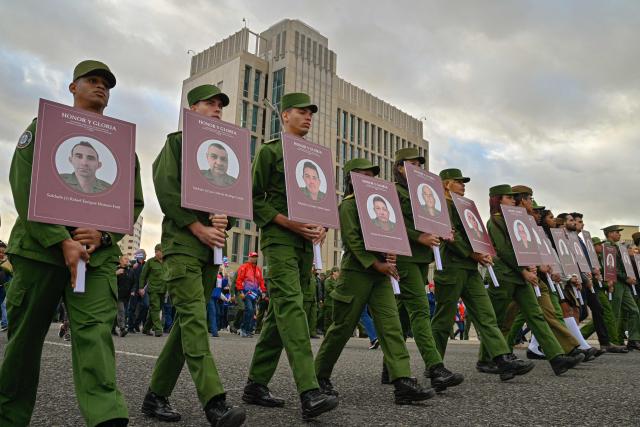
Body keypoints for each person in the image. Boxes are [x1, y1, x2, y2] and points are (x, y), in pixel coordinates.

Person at [0, 60, 144, 427]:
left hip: (95, 260)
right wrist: (58, 239)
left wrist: (104, 235)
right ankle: (9, 416)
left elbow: (133, 201)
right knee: (24, 341)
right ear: (72, 87)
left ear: (99, 162)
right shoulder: (44, 128)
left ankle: (107, 416)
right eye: (92, 81)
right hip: (40, 253)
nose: (100, 88)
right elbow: (23, 186)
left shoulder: (122, 144)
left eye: (106, 85)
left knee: (96, 333)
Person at [142, 84, 245, 426]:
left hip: (211, 250)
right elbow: (166, 189)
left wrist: (225, 217)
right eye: (210, 103)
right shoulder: (177, 143)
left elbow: (235, 200)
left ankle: (156, 396)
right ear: (191, 109)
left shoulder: (226, 155)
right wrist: (197, 226)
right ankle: (214, 401)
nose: (217, 108)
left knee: (189, 321)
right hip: (184, 245)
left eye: (220, 104)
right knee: (196, 321)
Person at [243, 92, 337, 420]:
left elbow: (322, 200)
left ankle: (256, 384)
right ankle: (309, 391)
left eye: (311, 113)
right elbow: (252, 198)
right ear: (285, 115)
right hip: (280, 240)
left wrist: (322, 226)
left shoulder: (316, 158)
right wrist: (288, 222)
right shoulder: (270, 152)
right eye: (301, 111)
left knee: (280, 314)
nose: (308, 117)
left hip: (304, 246)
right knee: (293, 309)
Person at [315, 158, 435, 404]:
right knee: (342, 328)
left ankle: (402, 381)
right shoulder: (348, 207)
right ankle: (318, 377)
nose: (370, 179)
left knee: (391, 326)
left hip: (381, 274)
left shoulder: (381, 206)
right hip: (357, 274)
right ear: (351, 180)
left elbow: (393, 232)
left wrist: (392, 252)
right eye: (363, 175)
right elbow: (352, 241)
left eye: (372, 175)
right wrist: (377, 263)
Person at [430, 169, 533, 381]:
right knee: (443, 319)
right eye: (458, 182)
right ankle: (434, 365)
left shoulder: (463, 205)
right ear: (447, 184)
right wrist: (473, 253)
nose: (463, 185)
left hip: (470, 267)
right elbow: (451, 235)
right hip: (452, 266)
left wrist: (483, 252)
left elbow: (475, 234)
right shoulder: (443, 206)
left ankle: (502, 357)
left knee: (486, 315)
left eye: (463, 182)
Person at [478, 185, 583, 376]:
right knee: (499, 319)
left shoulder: (517, 220)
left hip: (522, 275)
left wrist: (531, 264)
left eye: (513, 198)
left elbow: (524, 246)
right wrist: (523, 270)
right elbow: (503, 250)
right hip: (505, 275)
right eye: (508, 198)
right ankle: (487, 359)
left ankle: (556, 357)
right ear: (498, 200)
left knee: (536, 315)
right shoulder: (495, 221)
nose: (513, 200)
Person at [384, 148, 464, 392]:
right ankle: (436, 368)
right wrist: (420, 238)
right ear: (400, 168)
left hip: (422, 258)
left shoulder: (422, 193)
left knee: (402, 313)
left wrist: (443, 232)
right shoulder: (394, 192)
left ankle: (389, 367)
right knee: (419, 311)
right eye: (413, 164)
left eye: (421, 164)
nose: (419, 168)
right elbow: (392, 223)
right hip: (406, 256)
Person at [602, 225, 640, 351]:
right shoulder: (607, 246)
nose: (619, 234)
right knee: (613, 312)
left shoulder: (618, 247)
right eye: (617, 232)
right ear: (610, 233)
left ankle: (633, 339)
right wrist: (626, 277)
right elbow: (612, 268)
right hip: (616, 282)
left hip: (624, 283)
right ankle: (611, 341)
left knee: (634, 310)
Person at [235, 251, 266, 337]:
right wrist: (241, 291)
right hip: (246, 292)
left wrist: (263, 291)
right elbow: (239, 280)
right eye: (253, 257)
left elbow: (261, 281)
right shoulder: (244, 267)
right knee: (250, 310)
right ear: (249, 257)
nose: (254, 258)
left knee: (252, 312)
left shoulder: (258, 269)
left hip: (254, 294)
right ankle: (244, 329)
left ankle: (247, 330)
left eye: (256, 257)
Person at [141, 244, 167, 337]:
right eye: (161, 251)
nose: (163, 253)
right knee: (155, 308)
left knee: (155, 309)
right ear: (156, 252)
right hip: (153, 290)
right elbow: (143, 275)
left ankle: (146, 328)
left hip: (163, 290)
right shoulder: (150, 262)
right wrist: (141, 288)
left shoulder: (166, 262)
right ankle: (158, 329)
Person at [115, 255, 133, 337]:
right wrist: (115, 274)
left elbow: (134, 282)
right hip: (118, 295)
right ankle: (122, 329)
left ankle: (113, 329)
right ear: (120, 261)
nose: (127, 260)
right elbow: (108, 278)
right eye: (125, 259)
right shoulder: (116, 269)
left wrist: (133, 290)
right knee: (121, 311)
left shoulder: (130, 271)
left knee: (121, 312)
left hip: (127, 296)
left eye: (128, 259)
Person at [322, 267, 339, 333]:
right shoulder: (328, 280)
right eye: (337, 272)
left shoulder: (337, 281)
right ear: (333, 272)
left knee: (334, 320)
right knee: (328, 320)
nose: (338, 273)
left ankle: (332, 334)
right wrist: (336, 295)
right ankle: (326, 333)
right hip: (329, 303)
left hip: (335, 303)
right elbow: (328, 289)